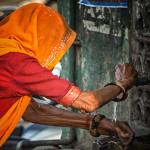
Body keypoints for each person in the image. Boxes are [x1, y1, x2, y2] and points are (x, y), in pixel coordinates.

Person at [0, 3, 138, 149]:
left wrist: (94, 123)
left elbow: (32, 110)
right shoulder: (17, 63)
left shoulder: (5, 49)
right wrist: (122, 82)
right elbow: (88, 102)